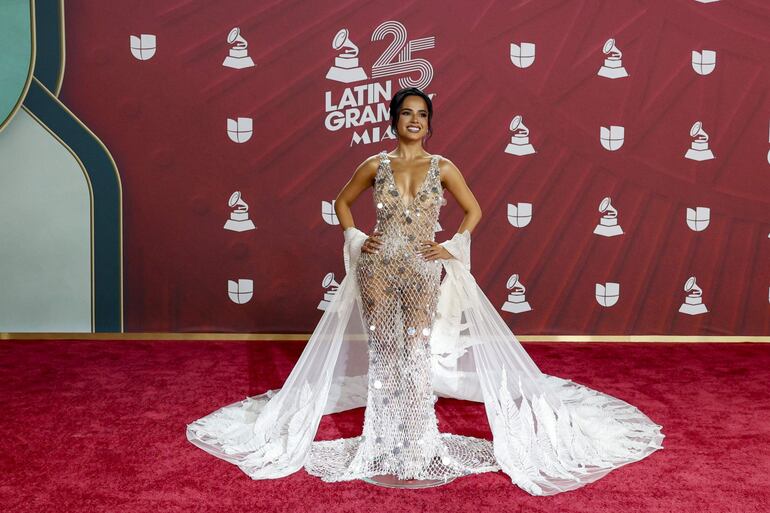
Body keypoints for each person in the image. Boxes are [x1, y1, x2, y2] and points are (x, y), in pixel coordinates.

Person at [186, 87, 664, 495]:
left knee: (415, 351)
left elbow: (474, 211)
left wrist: (451, 245)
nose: (414, 121)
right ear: (394, 120)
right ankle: (382, 442)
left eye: (422, 115)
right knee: (385, 353)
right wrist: (356, 237)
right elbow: (341, 202)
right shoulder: (375, 164)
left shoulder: (444, 166)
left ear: (428, 124)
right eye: (407, 113)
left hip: (419, 268)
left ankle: (417, 443)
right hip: (376, 267)